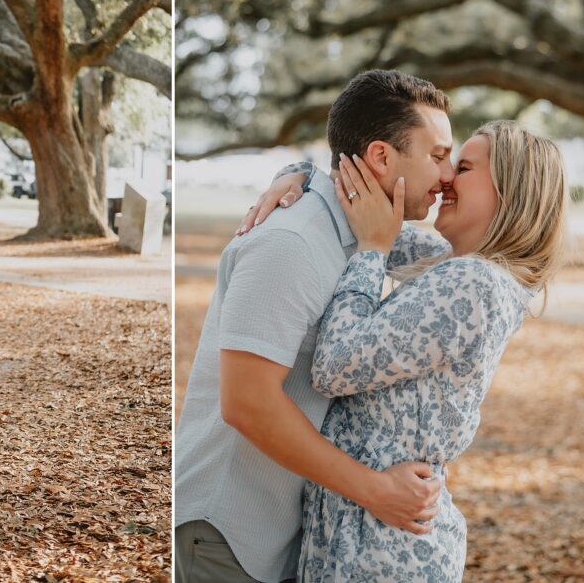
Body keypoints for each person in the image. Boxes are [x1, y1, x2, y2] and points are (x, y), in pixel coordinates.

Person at [249, 120, 567, 581]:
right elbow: (362, 210)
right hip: (366, 528)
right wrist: (298, 175)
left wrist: (371, 252)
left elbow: (335, 366)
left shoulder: (473, 284)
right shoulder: (456, 265)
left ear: (510, 191)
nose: (445, 179)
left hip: (382, 545)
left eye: (464, 168)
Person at [175, 70, 455, 583]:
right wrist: (375, 490)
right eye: (437, 156)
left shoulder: (362, 232)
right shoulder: (292, 242)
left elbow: (458, 261)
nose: (448, 173)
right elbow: (246, 402)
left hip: (276, 535)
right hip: (224, 533)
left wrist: (298, 166)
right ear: (380, 157)